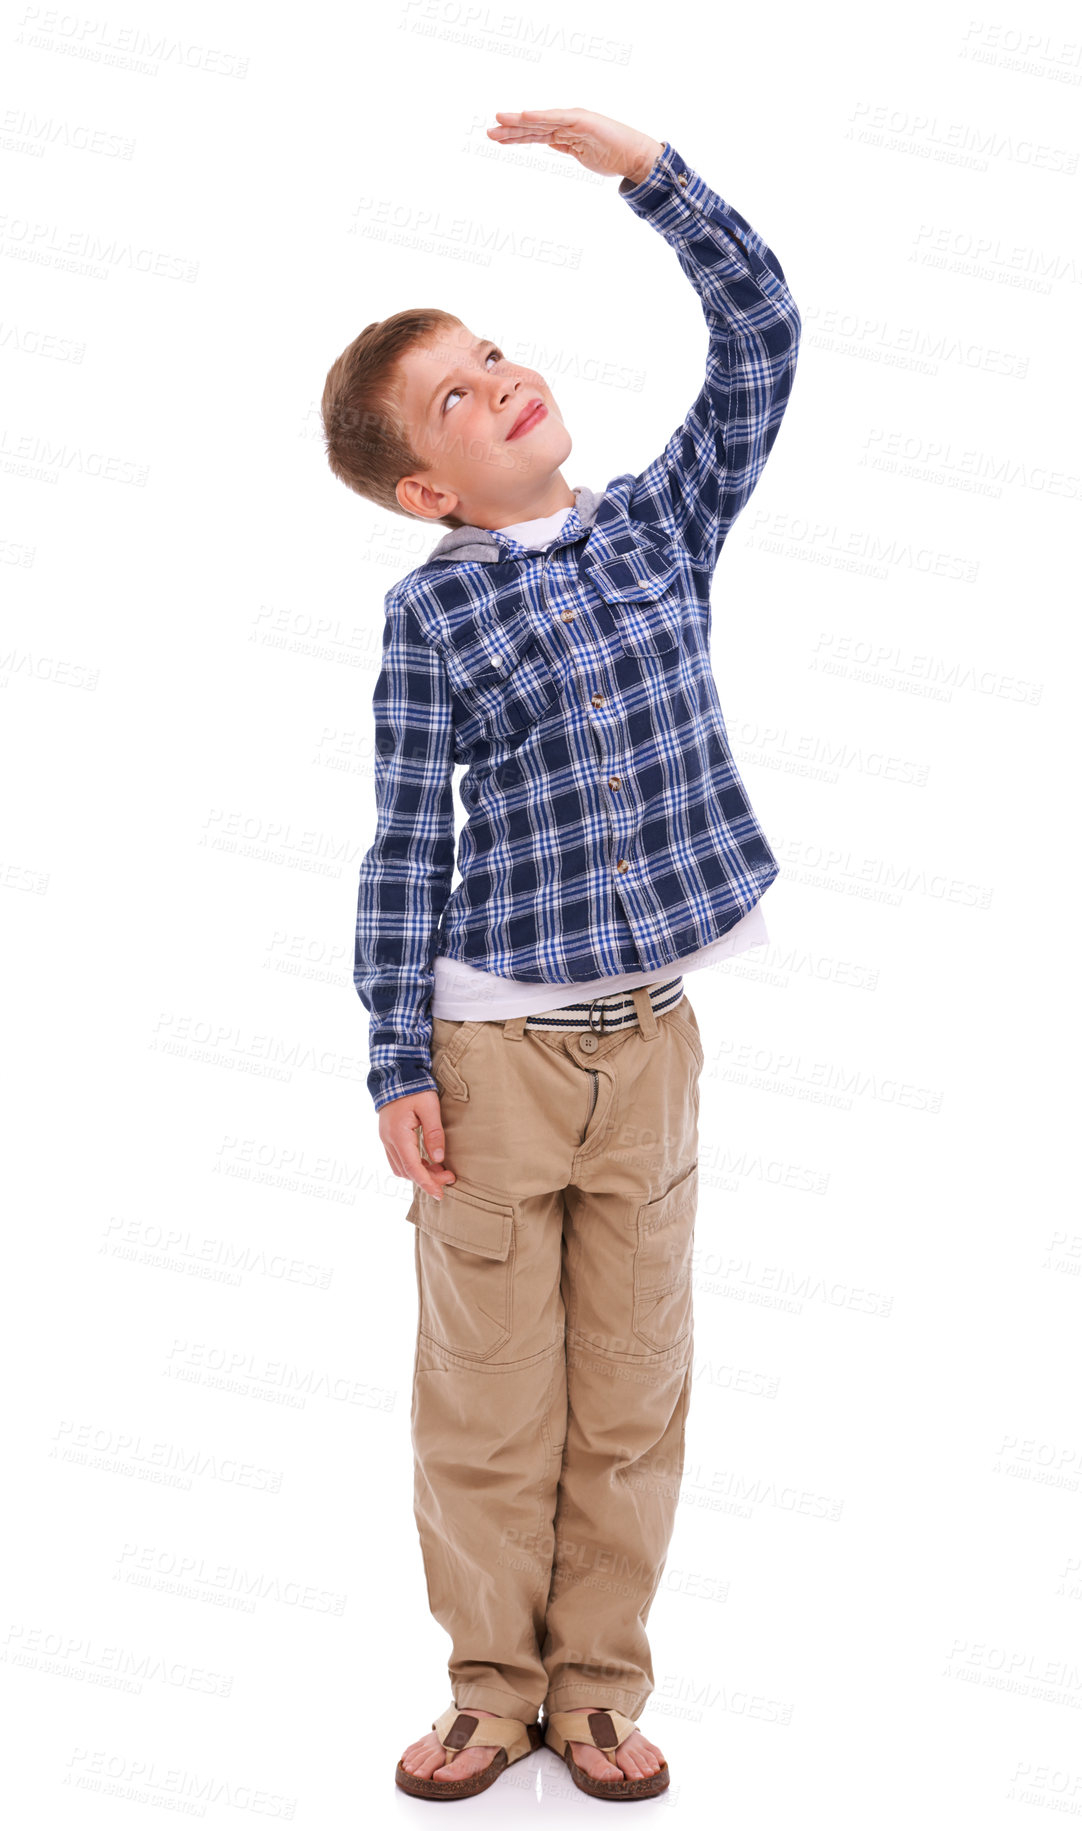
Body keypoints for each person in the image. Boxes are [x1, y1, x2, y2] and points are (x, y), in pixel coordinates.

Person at [321, 106, 801, 1802]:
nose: (498, 378)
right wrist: (397, 1059)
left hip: (647, 1049)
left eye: (495, 352)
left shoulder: (661, 527)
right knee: (489, 1397)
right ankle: (484, 1687)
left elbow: (760, 337)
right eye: (452, 394)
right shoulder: (434, 613)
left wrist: (646, 174)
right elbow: (404, 848)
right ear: (428, 488)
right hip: (493, 1062)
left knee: (629, 1391)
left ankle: (595, 1688)